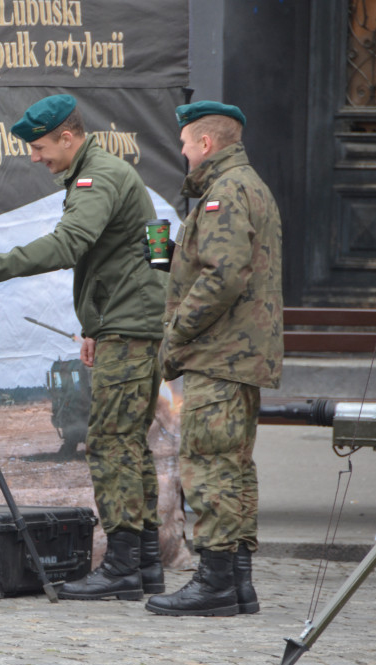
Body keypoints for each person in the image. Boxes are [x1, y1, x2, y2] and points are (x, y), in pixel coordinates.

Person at [0, 94, 167, 601]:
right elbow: (138, 250)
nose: (34, 157)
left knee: (112, 444)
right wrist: (98, 325)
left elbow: (72, 243)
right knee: (129, 445)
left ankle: (121, 569)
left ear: (68, 137)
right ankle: (145, 565)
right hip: (127, 323)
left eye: (41, 146)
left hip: (130, 327)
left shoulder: (99, 177)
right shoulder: (104, 172)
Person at [145, 101, 283, 617]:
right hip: (240, 353)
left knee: (208, 465)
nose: (182, 155)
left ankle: (216, 581)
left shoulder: (224, 193)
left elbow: (223, 277)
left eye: (184, 145)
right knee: (235, 465)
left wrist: (177, 334)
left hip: (220, 353)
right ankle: (238, 583)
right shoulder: (249, 186)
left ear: (206, 144)